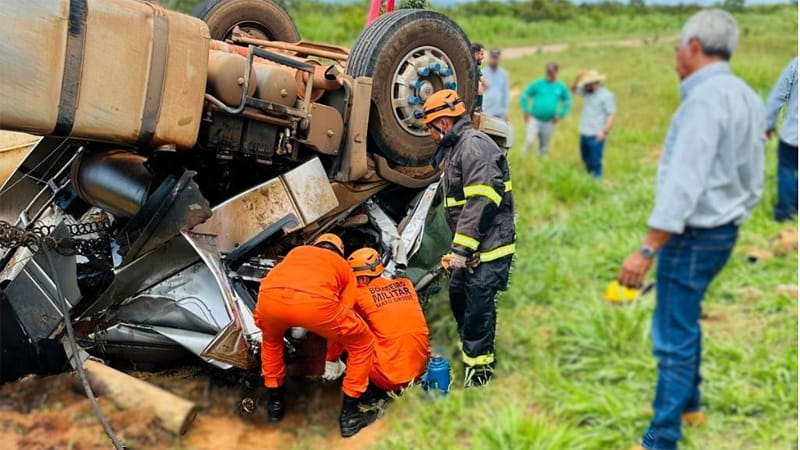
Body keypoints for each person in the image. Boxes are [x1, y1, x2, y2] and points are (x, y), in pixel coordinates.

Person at [617, 10, 765, 450]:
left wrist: (646, 250)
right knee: (685, 320)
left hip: (695, 235)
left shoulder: (703, 101)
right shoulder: (745, 94)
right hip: (724, 230)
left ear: (694, 47)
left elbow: (684, 184)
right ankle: (689, 405)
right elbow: (754, 179)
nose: (676, 56)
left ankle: (660, 438)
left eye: (678, 47)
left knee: (671, 336)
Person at [421, 89, 515, 388]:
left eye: (430, 128)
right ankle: (471, 351)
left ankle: (480, 373)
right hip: (473, 248)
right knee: (459, 297)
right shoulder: (458, 147)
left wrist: (463, 248)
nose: (429, 134)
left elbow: (482, 201)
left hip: (488, 249)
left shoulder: (474, 146)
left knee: (477, 308)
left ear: (445, 123)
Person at [253, 233, 375, 438]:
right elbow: (345, 310)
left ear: (315, 244)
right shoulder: (342, 265)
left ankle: (275, 405)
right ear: (340, 252)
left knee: (272, 343)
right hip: (315, 304)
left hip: (269, 299)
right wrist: (331, 356)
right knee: (362, 343)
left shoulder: (296, 252)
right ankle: (349, 416)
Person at [324, 248, 431, 401]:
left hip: (388, 379)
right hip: (419, 369)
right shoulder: (406, 284)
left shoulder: (358, 296)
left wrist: (330, 360)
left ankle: (368, 396)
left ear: (362, 280)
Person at [765, 57, 798, 222]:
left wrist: (768, 124)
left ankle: (787, 212)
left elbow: (778, 96)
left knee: (787, 169)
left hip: (793, 134)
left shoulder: (797, 64)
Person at [570, 69, 616, 178]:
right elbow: (572, 88)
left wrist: (605, 132)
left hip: (596, 134)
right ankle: (589, 181)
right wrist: (578, 76)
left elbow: (612, 114)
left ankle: (596, 185)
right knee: (586, 160)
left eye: (587, 84)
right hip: (584, 132)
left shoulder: (607, 96)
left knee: (595, 162)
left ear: (595, 83)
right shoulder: (587, 92)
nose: (585, 86)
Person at [520, 62, 571, 156]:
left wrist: (560, 114)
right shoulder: (539, 83)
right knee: (529, 141)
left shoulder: (560, 87)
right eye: (548, 71)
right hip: (535, 119)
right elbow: (525, 95)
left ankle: (541, 164)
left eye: (551, 72)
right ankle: (521, 160)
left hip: (549, 121)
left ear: (556, 72)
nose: (549, 74)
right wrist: (526, 110)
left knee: (544, 147)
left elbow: (567, 101)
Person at [471, 42, 488, 114]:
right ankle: (477, 110)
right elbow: (482, 87)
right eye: (481, 54)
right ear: (476, 54)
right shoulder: (472, 67)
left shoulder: (475, 67)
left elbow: (485, 82)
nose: (483, 57)